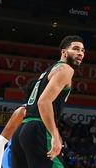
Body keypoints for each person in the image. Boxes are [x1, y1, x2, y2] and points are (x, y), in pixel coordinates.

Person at [9, 36, 84, 168]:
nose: (80, 53)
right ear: (64, 52)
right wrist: (54, 133)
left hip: (23, 130)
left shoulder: (49, 70)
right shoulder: (66, 69)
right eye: (76, 49)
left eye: (83, 50)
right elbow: (43, 102)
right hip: (38, 128)